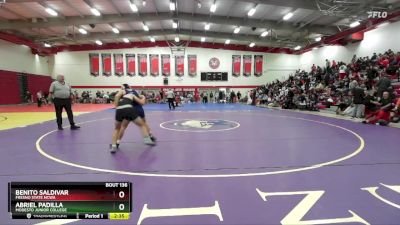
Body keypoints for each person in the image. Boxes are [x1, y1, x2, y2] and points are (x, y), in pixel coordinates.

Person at [111, 85, 156, 153]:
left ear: (123, 88)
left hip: (126, 109)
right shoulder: (135, 91)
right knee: (143, 124)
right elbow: (142, 100)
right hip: (138, 109)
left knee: (122, 127)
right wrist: (143, 97)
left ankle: (116, 143)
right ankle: (150, 136)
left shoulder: (123, 91)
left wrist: (116, 106)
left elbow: (117, 96)